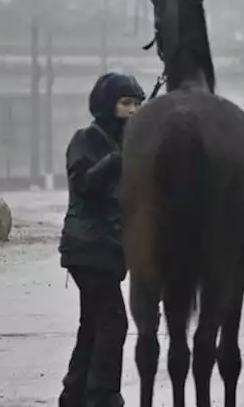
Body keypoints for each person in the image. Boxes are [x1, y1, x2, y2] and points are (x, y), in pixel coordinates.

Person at [57, 72, 146, 407]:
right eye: (126, 103)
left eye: (137, 104)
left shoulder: (127, 144)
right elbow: (85, 184)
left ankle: (75, 392)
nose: (133, 111)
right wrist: (119, 159)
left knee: (93, 323)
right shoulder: (87, 139)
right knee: (113, 322)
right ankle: (103, 395)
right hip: (87, 247)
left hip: (109, 250)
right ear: (108, 105)